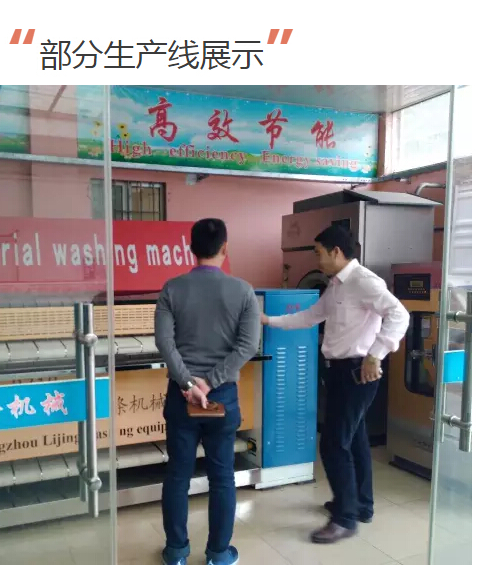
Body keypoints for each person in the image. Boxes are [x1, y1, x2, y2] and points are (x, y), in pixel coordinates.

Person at [261, 225, 409, 544]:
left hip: (358, 373)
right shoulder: (337, 285)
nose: (317, 260)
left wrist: (376, 354)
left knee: (332, 444)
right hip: (340, 373)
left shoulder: (364, 281)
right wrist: (269, 320)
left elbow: (400, 315)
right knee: (354, 440)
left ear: (336, 252)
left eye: (319, 253)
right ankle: (360, 506)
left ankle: (344, 519)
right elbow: (311, 316)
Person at [155, 218, 261, 565]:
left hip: (180, 397)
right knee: (222, 477)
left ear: (191, 248)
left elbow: (164, 343)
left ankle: (176, 552)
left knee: (177, 476)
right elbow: (248, 346)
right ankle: (218, 554)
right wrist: (210, 383)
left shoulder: (172, 289)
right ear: (225, 248)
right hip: (222, 397)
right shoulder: (244, 291)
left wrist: (188, 384)